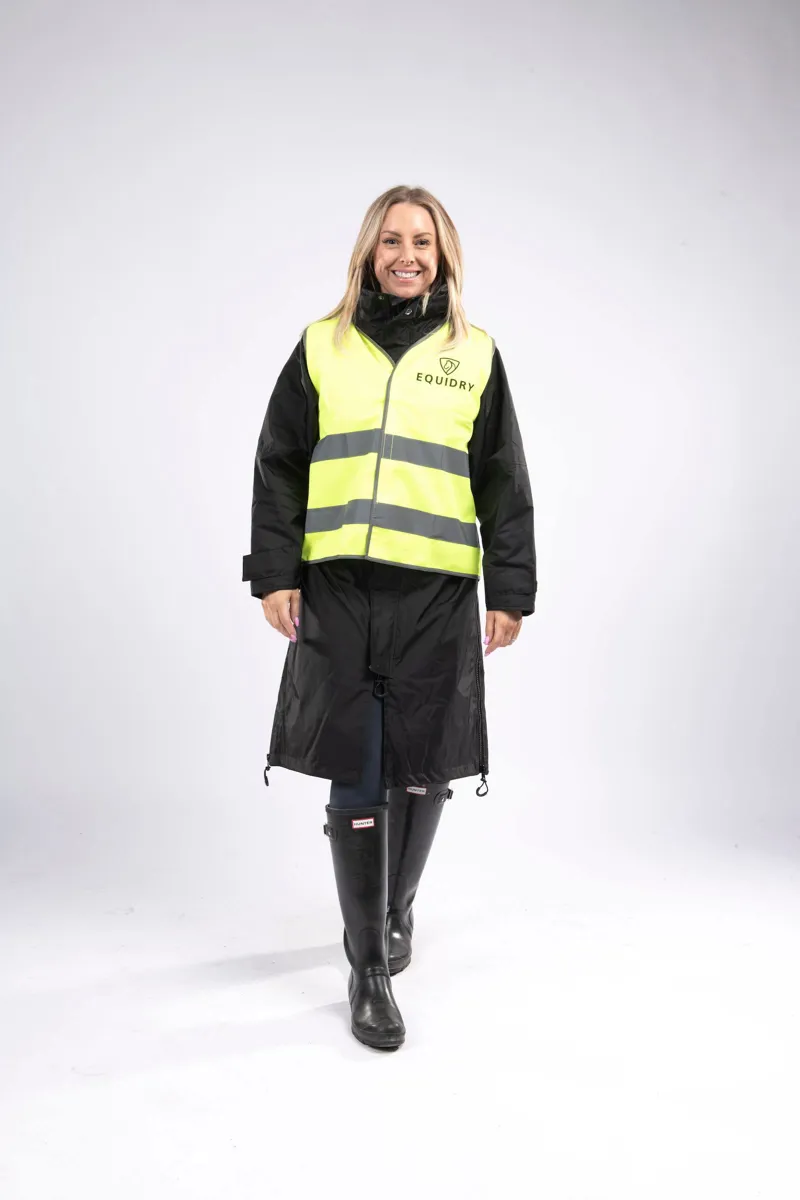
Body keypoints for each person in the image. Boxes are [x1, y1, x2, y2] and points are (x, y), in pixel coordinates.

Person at [242, 184, 537, 1051]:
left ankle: (397, 905)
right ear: (369, 253)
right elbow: (279, 464)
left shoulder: (473, 354)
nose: (407, 255)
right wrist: (274, 574)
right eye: (392, 241)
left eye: (423, 242)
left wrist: (510, 589)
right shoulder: (321, 346)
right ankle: (367, 964)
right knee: (358, 766)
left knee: (423, 764)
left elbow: (503, 479)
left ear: (443, 257)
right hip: (339, 590)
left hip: (436, 593)